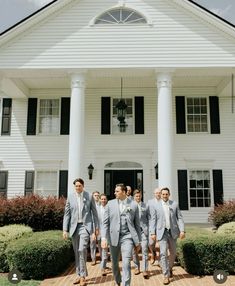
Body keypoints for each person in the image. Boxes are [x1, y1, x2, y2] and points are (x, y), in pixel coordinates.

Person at [101, 183, 141, 286]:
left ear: (124, 192)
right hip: (113, 237)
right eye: (115, 191)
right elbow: (105, 223)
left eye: (117, 191)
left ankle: (125, 284)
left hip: (127, 237)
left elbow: (137, 225)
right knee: (114, 263)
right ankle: (118, 280)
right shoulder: (110, 204)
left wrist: (138, 241)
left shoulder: (133, 205)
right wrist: (103, 238)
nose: (115, 193)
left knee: (126, 262)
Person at [63, 178, 99, 286]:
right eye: (76, 186)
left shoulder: (89, 196)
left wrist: (95, 229)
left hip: (85, 226)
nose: (78, 188)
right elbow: (67, 214)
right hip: (74, 228)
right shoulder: (71, 197)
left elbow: (94, 214)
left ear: (83, 186)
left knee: (82, 249)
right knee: (76, 252)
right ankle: (79, 275)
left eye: (79, 186)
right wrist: (65, 229)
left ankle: (83, 276)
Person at [149, 187, 185, 285]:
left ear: (169, 195)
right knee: (163, 253)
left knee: (173, 252)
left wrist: (182, 230)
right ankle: (166, 275)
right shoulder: (156, 206)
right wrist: (152, 232)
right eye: (163, 194)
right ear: (160, 195)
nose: (164, 196)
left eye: (166, 194)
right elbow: (153, 220)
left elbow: (180, 218)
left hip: (172, 232)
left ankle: (169, 268)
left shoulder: (174, 204)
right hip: (162, 232)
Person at [132, 189, 149, 279]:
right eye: (136, 196)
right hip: (134, 232)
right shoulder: (130, 206)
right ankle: (136, 267)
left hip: (143, 231)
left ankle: (145, 269)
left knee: (145, 249)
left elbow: (149, 218)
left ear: (141, 196)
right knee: (134, 250)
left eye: (139, 196)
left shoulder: (145, 206)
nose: (138, 198)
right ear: (133, 197)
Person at [97, 193, 110, 276]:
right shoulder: (97, 209)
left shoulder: (110, 208)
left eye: (105, 199)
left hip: (108, 232)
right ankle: (103, 265)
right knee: (102, 250)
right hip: (99, 232)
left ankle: (103, 267)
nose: (103, 200)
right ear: (99, 200)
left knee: (105, 250)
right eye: (102, 199)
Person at [148, 187, 161, 265]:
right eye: (156, 193)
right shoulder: (150, 202)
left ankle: (159, 258)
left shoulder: (163, 202)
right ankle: (153, 253)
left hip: (160, 226)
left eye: (159, 193)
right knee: (150, 242)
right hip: (151, 224)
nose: (158, 194)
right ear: (154, 194)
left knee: (160, 243)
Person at [90, 191, 100, 266]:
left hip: (100, 226)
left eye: (97, 195)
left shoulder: (101, 204)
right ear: (93, 196)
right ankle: (93, 259)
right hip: (92, 225)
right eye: (95, 195)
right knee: (92, 243)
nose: (96, 196)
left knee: (100, 242)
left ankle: (102, 258)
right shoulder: (90, 205)